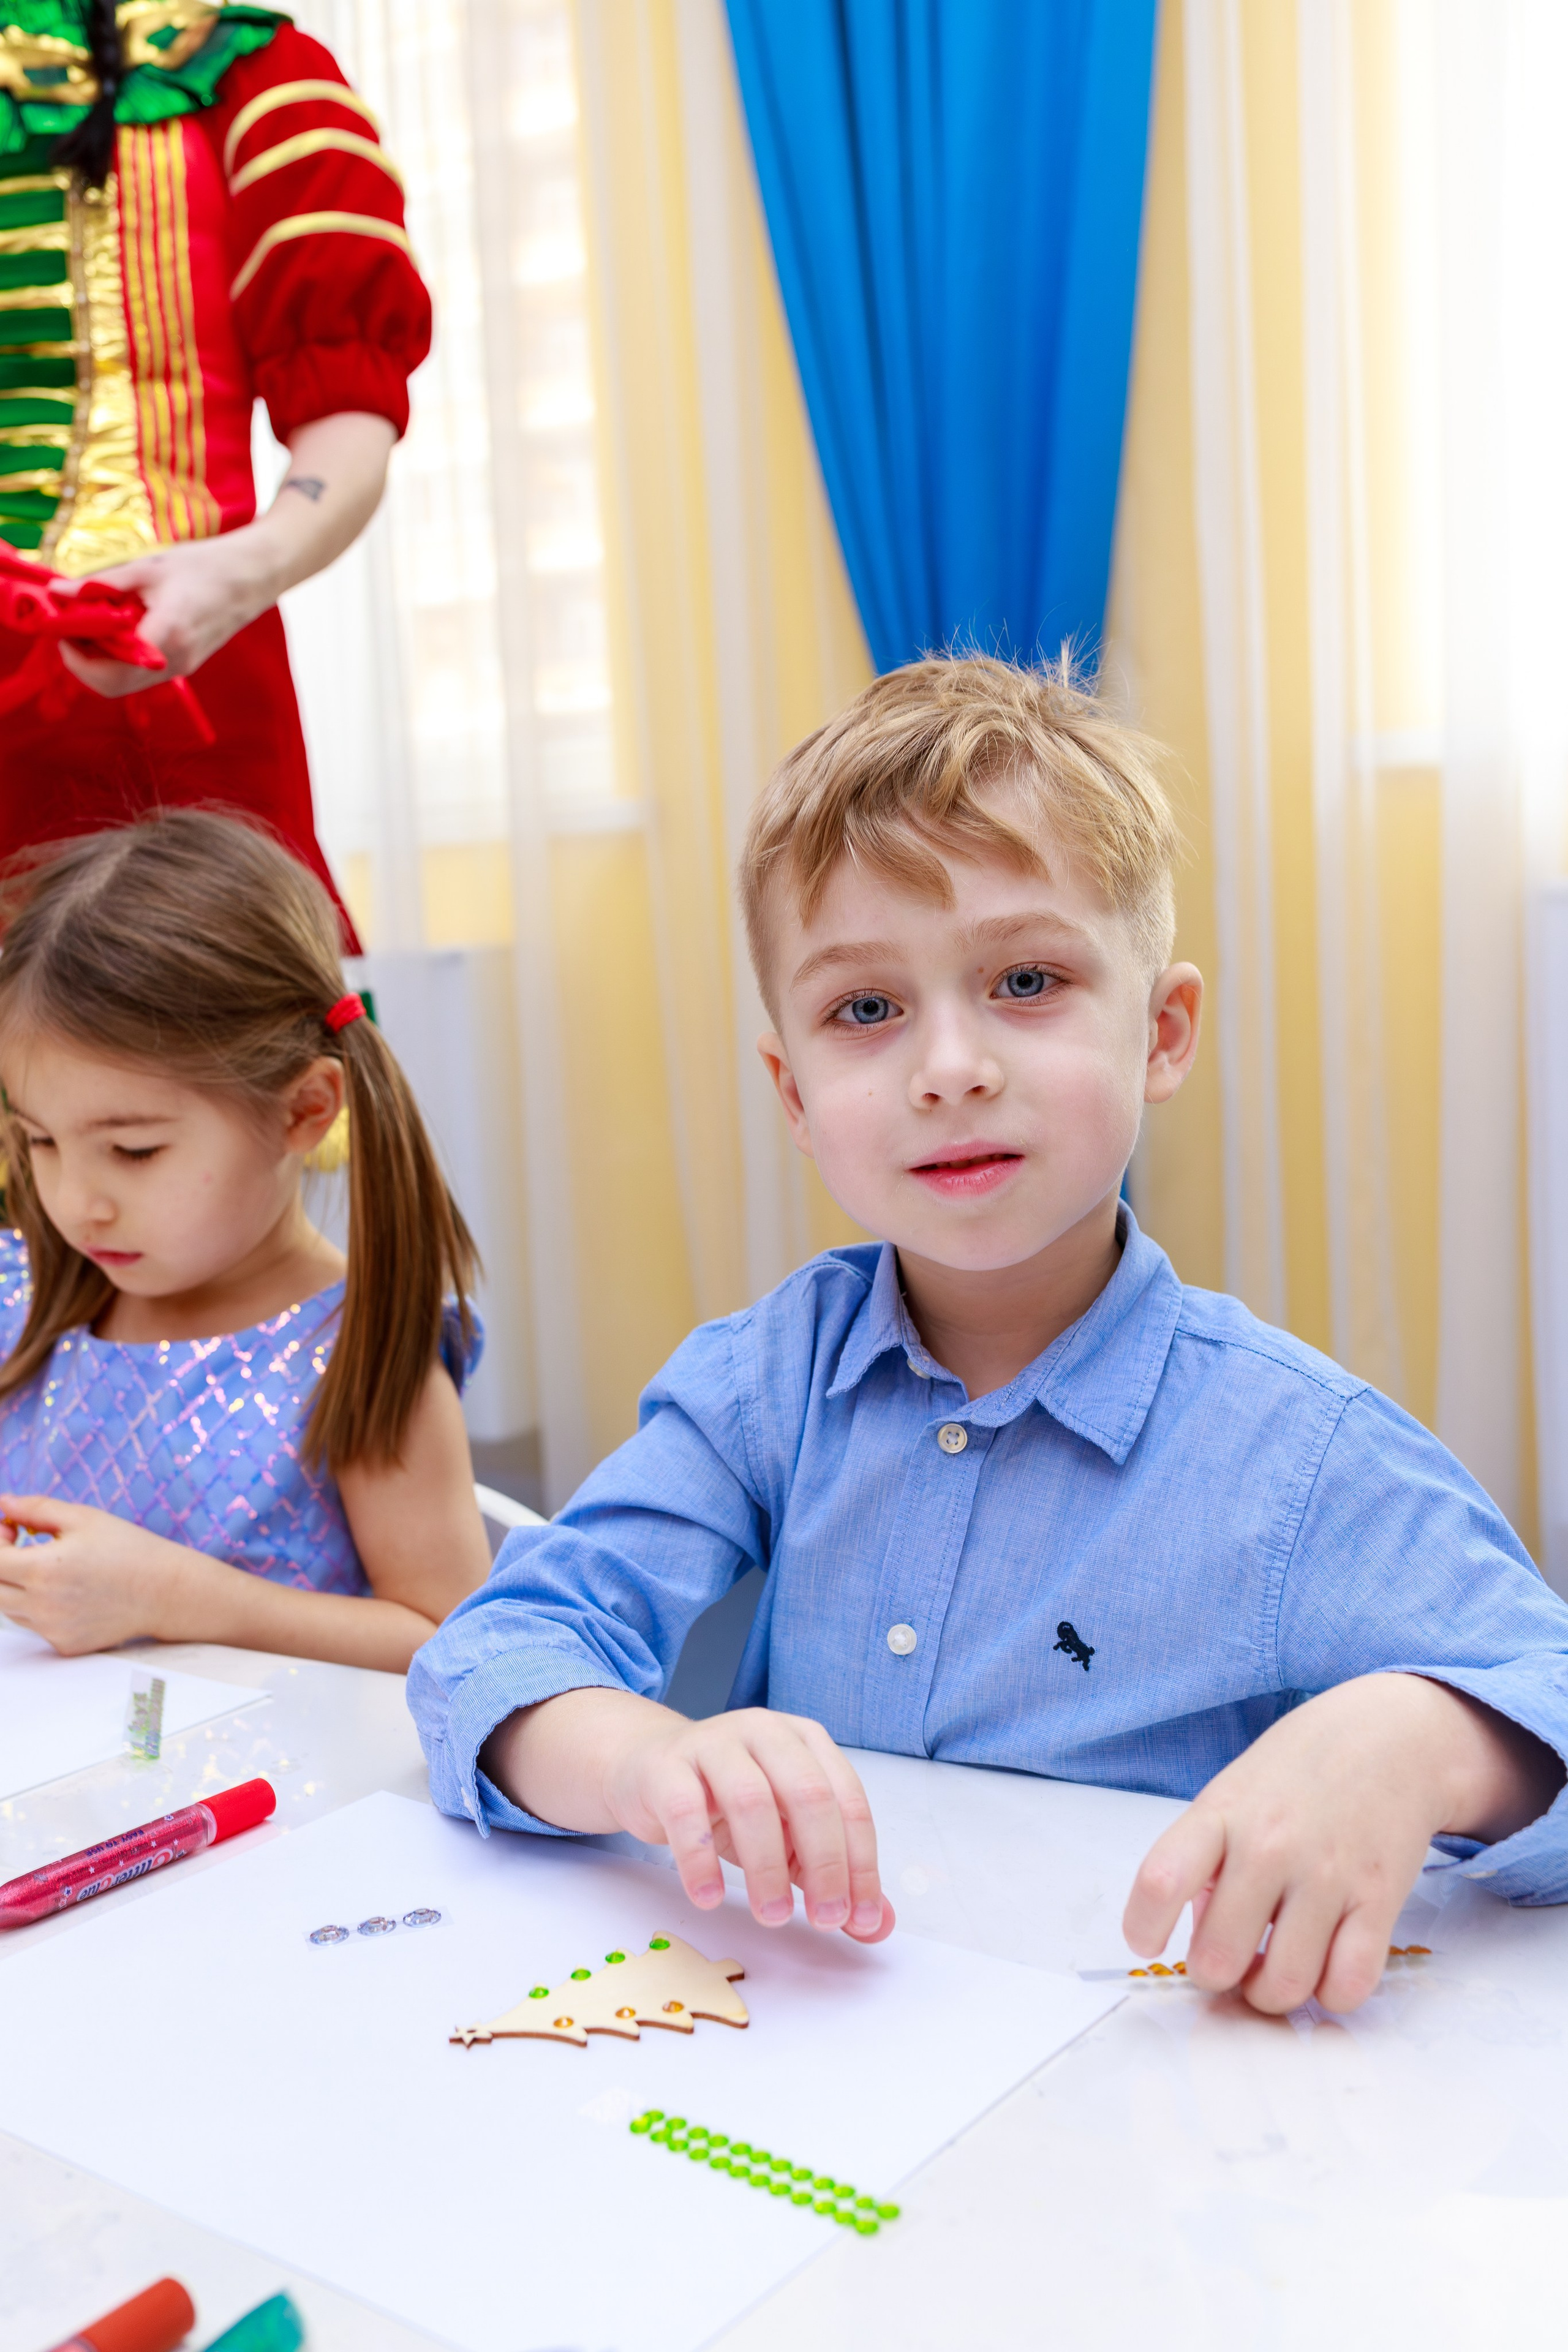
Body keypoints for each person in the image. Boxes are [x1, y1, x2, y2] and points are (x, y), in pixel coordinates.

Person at [407, 655, 1568, 2016]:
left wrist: (1422, 1740)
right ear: (791, 1091)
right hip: (836, 2049)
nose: (947, 1065)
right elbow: (494, 1651)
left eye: (1024, 980)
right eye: (864, 1010)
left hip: (1159, 2099)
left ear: (1162, 1032)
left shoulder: (1295, 1453)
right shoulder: (761, 1381)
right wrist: (639, 1760)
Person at [0, 810, 491, 1668]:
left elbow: (448, 1638)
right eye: (39, 1140)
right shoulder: (27, 1287)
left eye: (134, 1150)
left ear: (304, 1111)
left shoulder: (361, 1350)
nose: (77, 1203)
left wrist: (171, 1596)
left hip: (266, 1794)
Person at [0, 2, 433, 941]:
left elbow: (346, 408)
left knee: (219, 1057)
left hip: (180, 697)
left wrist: (236, 571)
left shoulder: (249, 71)